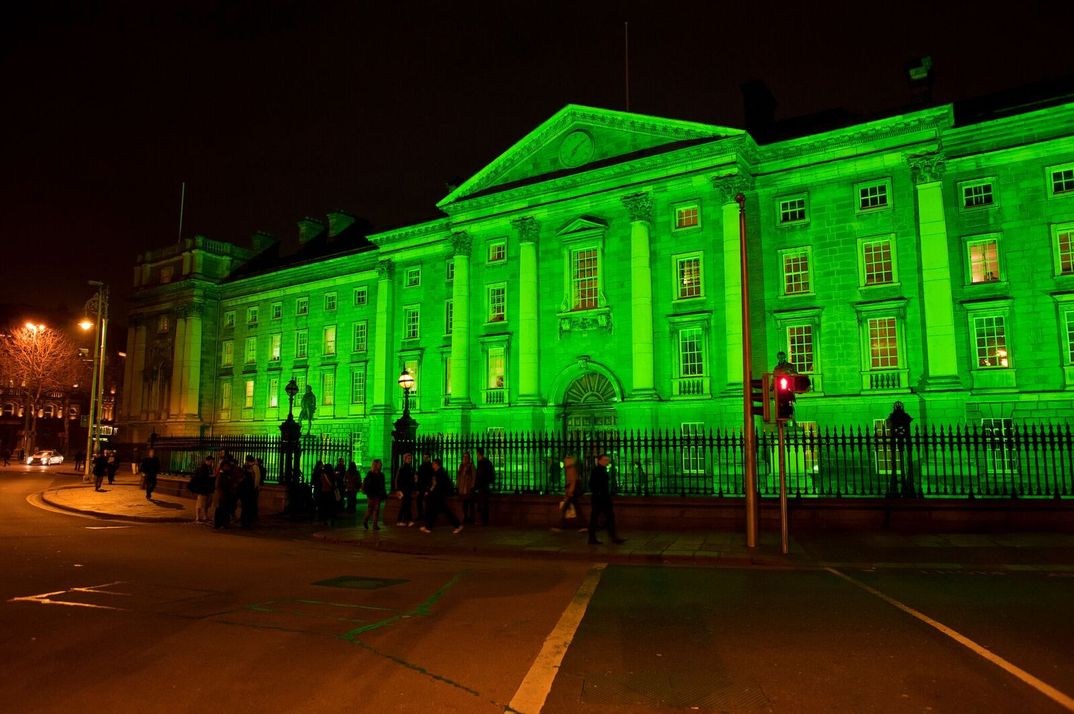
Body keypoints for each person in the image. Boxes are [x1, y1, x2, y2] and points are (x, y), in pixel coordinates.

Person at [587, 453, 624, 545]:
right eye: (605, 460)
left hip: (604, 498)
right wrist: (598, 492)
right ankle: (593, 538)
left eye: (607, 460)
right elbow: (592, 484)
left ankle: (612, 536)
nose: (607, 462)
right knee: (596, 518)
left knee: (608, 517)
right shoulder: (596, 471)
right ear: (599, 461)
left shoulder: (603, 470)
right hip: (599, 498)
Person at [420, 458, 463, 534]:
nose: (432, 465)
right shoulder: (438, 472)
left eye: (433, 464)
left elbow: (438, 485)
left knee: (445, 512)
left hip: (439, 496)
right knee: (434, 512)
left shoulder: (440, 473)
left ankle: (458, 525)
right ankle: (428, 527)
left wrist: (431, 492)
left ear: (437, 464)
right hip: (438, 496)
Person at [887, 401, 915, 497]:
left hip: (900, 440)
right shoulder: (903, 419)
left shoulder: (900, 419)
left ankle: (903, 486)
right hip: (900, 439)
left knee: (902, 455)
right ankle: (903, 486)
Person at [555, 455, 585, 530]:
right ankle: (583, 526)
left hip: (573, 492)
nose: (565, 462)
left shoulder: (571, 469)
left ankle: (560, 526)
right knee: (577, 509)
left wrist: (570, 492)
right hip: (573, 491)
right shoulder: (570, 468)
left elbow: (573, 481)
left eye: (566, 461)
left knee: (565, 508)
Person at [214, 455, 239, 529]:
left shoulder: (228, 474)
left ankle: (224, 523)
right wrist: (221, 494)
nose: (227, 468)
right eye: (226, 466)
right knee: (220, 510)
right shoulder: (221, 475)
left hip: (227, 495)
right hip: (222, 496)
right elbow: (218, 485)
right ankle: (218, 524)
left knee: (225, 510)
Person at [362, 459, 388, 530]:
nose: (381, 465)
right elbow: (368, 484)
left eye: (381, 464)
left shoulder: (381, 475)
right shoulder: (370, 474)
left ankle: (375, 525)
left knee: (376, 510)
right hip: (371, 494)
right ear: (376, 465)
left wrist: (383, 494)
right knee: (370, 509)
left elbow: (382, 486)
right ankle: (365, 520)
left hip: (377, 494)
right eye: (380, 464)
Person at [189, 455, 215, 523]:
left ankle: (205, 516)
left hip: (208, 488)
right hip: (202, 488)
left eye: (212, 462)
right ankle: (197, 517)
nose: (211, 463)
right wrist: (211, 476)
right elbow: (202, 477)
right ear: (207, 460)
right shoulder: (203, 467)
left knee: (206, 504)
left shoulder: (210, 467)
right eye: (211, 461)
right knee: (200, 503)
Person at [239, 454, 262, 528]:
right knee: (248, 507)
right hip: (249, 490)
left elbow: (256, 479)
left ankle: (245, 522)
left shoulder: (251, 467)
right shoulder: (252, 467)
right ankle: (246, 522)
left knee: (246, 507)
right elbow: (257, 479)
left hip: (247, 490)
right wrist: (255, 487)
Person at [474, 447, 494, 526]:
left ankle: (483, 521)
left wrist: (477, 486)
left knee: (482, 504)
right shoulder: (487, 462)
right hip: (486, 485)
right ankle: (484, 520)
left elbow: (480, 475)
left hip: (482, 486)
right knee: (484, 504)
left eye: (476, 453)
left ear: (478, 453)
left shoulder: (481, 462)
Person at [394, 452, 416, 526]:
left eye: (410, 458)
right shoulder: (402, 468)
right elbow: (398, 479)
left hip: (408, 489)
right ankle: (407, 520)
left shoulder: (411, 468)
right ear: (405, 459)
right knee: (406, 504)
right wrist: (398, 489)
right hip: (404, 490)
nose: (410, 460)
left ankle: (401, 520)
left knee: (405, 505)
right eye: (408, 458)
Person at [456, 451, 476, 524]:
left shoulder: (471, 466)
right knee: (464, 504)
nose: (465, 458)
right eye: (464, 457)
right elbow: (458, 476)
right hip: (462, 488)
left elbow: (474, 476)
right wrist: (458, 485)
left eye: (466, 457)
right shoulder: (461, 466)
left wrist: (472, 485)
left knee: (470, 504)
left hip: (468, 487)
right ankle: (465, 517)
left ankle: (471, 518)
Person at [415, 453, 434, 523]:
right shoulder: (421, 466)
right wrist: (417, 488)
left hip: (427, 487)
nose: (425, 459)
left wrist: (428, 488)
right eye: (424, 457)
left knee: (427, 502)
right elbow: (418, 477)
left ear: (429, 458)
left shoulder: (430, 466)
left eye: (426, 457)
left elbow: (430, 478)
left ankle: (427, 516)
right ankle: (420, 515)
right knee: (419, 501)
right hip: (421, 487)